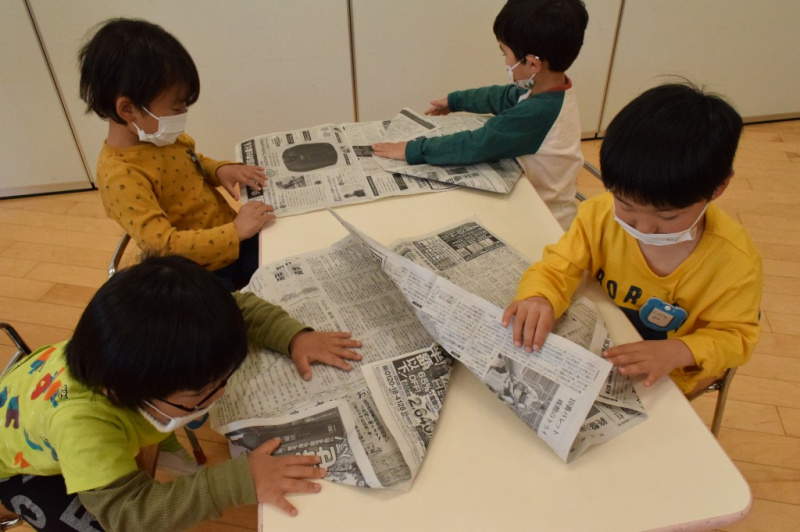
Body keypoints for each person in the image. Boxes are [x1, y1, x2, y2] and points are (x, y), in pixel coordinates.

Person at [0, 255, 363, 531]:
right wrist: (240, 480)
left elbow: (241, 309)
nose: (221, 393)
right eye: (202, 393)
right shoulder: (83, 427)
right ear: (126, 394)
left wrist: (295, 336)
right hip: (17, 469)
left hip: (33, 398)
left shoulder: (141, 343)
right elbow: (128, 514)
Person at [501, 83, 762, 396]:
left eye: (667, 218)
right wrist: (539, 296)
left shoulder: (733, 261)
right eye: (625, 206)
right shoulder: (599, 214)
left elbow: (737, 337)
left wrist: (680, 350)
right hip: (603, 344)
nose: (644, 228)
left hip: (671, 375)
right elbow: (560, 263)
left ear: (718, 187)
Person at [79, 18, 273, 291]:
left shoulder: (158, 136)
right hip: (196, 272)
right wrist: (237, 231)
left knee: (284, 249)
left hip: (231, 238)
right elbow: (164, 246)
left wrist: (219, 170)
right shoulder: (120, 175)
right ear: (128, 109)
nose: (183, 113)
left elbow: (192, 162)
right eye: (176, 106)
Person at [372, 0, 589, 230]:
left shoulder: (538, 112)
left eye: (504, 53)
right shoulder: (550, 89)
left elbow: (477, 144)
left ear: (532, 64)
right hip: (532, 200)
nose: (505, 61)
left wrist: (412, 149)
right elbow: (501, 96)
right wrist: (454, 101)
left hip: (545, 223)